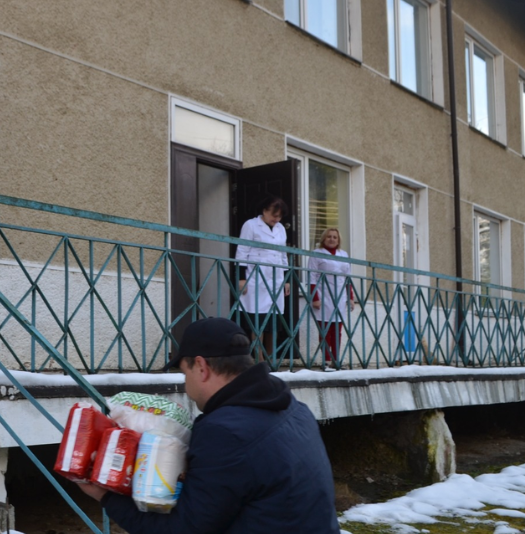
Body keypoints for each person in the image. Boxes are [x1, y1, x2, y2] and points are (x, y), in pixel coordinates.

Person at [78, 317, 340, 534]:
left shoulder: (224, 431)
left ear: (201, 367)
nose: (185, 384)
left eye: (184, 372)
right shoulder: (292, 408)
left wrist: (106, 496)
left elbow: (184, 530)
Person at [235, 196, 290, 360]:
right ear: (264, 210)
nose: (276, 219)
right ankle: (258, 358)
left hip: (276, 279)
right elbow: (242, 251)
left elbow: (283, 254)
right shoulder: (250, 225)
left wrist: (286, 279)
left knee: (273, 322)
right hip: (255, 279)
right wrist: (241, 278)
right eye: (274, 214)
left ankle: (270, 359)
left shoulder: (281, 228)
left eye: (279, 216)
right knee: (257, 321)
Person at [306, 227, 352, 371]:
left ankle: (336, 361)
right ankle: (326, 361)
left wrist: (350, 297)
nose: (332, 239)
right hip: (323, 295)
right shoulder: (317, 254)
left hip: (339, 296)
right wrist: (315, 297)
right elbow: (311, 276)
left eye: (335, 237)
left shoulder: (343, 254)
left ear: (338, 240)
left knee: (337, 331)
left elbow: (348, 278)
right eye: (329, 237)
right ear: (324, 238)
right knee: (325, 330)